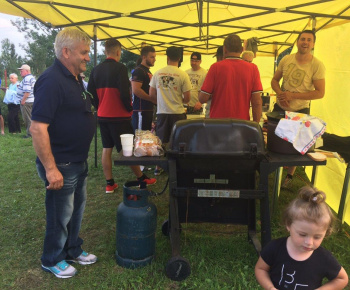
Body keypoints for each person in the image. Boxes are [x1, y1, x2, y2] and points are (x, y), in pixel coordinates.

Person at [30, 28, 97, 279]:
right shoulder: (51, 80)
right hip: (61, 163)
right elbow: (37, 128)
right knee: (59, 215)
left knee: (75, 211)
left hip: (77, 161)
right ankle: (51, 258)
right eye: (84, 52)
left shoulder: (74, 77)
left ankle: (72, 249)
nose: (88, 58)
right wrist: (50, 169)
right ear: (66, 52)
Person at [88, 39, 156, 193]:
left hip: (103, 116)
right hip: (119, 116)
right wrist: (129, 109)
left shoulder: (95, 69)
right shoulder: (120, 68)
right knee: (128, 149)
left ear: (105, 51)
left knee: (107, 148)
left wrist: (99, 106)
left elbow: (90, 93)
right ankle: (141, 178)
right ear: (118, 52)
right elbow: (125, 93)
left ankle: (109, 183)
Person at [255, 186, 348, 289]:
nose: (309, 242)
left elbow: (342, 279)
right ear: (289, 225)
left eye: (317, 237)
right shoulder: (275, 248)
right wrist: (270, 287)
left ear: (326, 232)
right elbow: (261, 269)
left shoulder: (324, 258)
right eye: (302, 235)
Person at [271, 30, 326, 189]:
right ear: (297, 41)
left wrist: (293, 96)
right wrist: (281, 93)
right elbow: (275, 80)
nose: (305, 42)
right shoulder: (287, 59)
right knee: (277, 142)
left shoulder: (317, 65)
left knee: (295, 146)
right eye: (303, 39)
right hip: (280, 107)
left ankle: (289, 176)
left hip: (300, 110)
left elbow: (320, 93)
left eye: (309, 40)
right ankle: (275, 172)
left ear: (313, 44)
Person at [199, 34, 263, 122]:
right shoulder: (253, 69)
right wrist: (256, 125)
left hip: (218, 123)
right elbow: (257, 102)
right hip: (241, 124)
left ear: (224, 49)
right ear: (241, 50)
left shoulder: (215, 67)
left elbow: (202, 99)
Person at [149, 46, 191, 176]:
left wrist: (162, 101)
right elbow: (188, 97)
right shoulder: (183, 74)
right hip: (178, 112)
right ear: (179, 58)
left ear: (167, 57)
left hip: (162, 112)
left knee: (161, 140)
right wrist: (179, 100)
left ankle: (158, 167)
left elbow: (151, 94)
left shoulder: (157, 73)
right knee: (179, 140)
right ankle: (179, 166)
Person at [131, 46, 157, 132]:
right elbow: (136, 90)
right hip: (140, 110)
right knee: (140, 137)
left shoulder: (147, 71)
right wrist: (152, 99)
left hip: (148, 110)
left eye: (155, 57)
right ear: (144, 57)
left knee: (146, 137)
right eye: (152, 57)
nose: (155, 59)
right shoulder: (139, 71)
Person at [17, 64, 35, 138]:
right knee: (31, 117)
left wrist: (23, 101)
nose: (20, 73)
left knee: (27, 118)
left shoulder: (27, 79)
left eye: (21, 71)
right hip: (32, 100)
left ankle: (30, 134)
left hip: (26, 102)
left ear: (26, 71)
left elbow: (27, 91)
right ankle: (33, 133)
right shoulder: (32, 78)